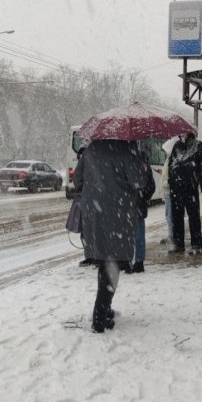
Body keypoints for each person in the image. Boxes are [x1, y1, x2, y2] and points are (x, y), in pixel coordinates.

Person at [73, 139, 148, 333]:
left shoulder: (91, 149)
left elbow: (77, 180)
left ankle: (104, 309)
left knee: (104, 260)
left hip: (93, 213)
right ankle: (99, 317)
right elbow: (139, 182)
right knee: (112, 263)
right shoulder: (126, 149)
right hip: (117, 213)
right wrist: (141, 165)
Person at [167, 132, 202, 254]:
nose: (181, 134)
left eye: (184, 132)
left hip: (190, 186)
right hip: (176, 187)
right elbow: (170, 164)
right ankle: (179, 244)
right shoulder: (177, 146)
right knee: (177, 217)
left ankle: (196, 245)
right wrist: (171, 181)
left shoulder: (198, 146)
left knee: (193, 216)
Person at [128, 150, 156, 273]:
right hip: (130, 207)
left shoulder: (145, 170)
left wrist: (142, 193)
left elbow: (151, 187)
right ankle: (133, 260)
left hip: (137, 207)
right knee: (132, 236)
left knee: (138, 236)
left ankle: (138, 261)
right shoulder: (131, 167)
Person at [159, 137, 177, 245]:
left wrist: (166, 183)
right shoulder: (168, 160)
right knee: (168, 214)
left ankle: (172, 235)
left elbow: (172, 177)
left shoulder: (172, 161)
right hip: (167, 192)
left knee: (170, 215)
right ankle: (171, 234)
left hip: (169, 191)